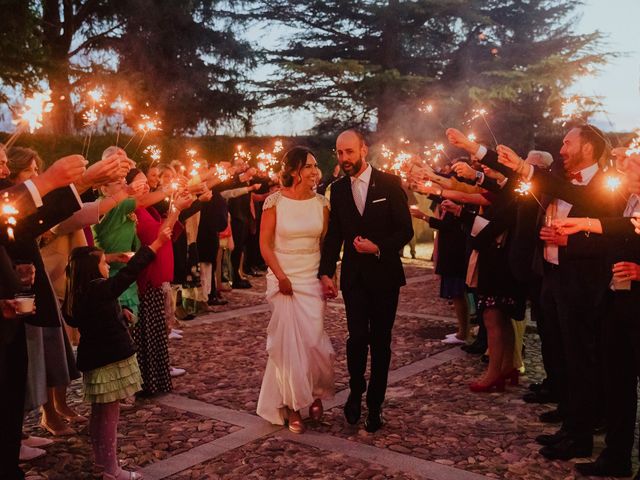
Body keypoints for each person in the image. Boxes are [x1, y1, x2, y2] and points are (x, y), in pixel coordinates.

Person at [496, 125, 626, 461]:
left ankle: (582, 434)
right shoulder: (566, 179)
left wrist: (573, 239)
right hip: (553, 276)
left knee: (582, 359)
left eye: (568, 142)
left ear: (588, 148)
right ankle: (571, 425)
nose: (563, 148)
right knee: (563, 355)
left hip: (584, 283)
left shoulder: (606, 184)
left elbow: (613, 236)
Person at [319, 129, 413, 432]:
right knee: (357, 338)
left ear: (364, 150)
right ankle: (356, 390)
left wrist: (379, 247)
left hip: (385, 275)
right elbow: (334, 235)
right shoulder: (338, 189)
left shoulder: (389, 183)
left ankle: (375, 404)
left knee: (381, 342)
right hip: (354, 278)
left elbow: (405, 230)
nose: (344, 158)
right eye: (339, 152)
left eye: (349, 152)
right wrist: (325, 271)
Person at [63, 225, 173, 480]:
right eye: (103, 263)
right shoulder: (99, 289)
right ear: (93, 269)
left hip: (95, 359)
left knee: (99, 414)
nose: (107, 267)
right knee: (110, 417)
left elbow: (95, 316)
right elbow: (130, 273)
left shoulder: (80, 293)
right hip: (109, 360)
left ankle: (102, 463)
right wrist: (156, 244)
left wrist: (119, 313)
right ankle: (111, 468)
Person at [256, 146, 335, 433]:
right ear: (293, 171)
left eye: (316, 166)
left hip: (311, 277)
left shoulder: (322, 204)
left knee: (314, 343)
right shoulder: (274, 202)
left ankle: (314, 392)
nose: (315, 172)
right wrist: (280, 276)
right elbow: (265, 244)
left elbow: (326, 246)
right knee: (288, 344)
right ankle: (291, 406)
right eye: (309, 167)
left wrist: (328, 276)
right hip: (284, 276)